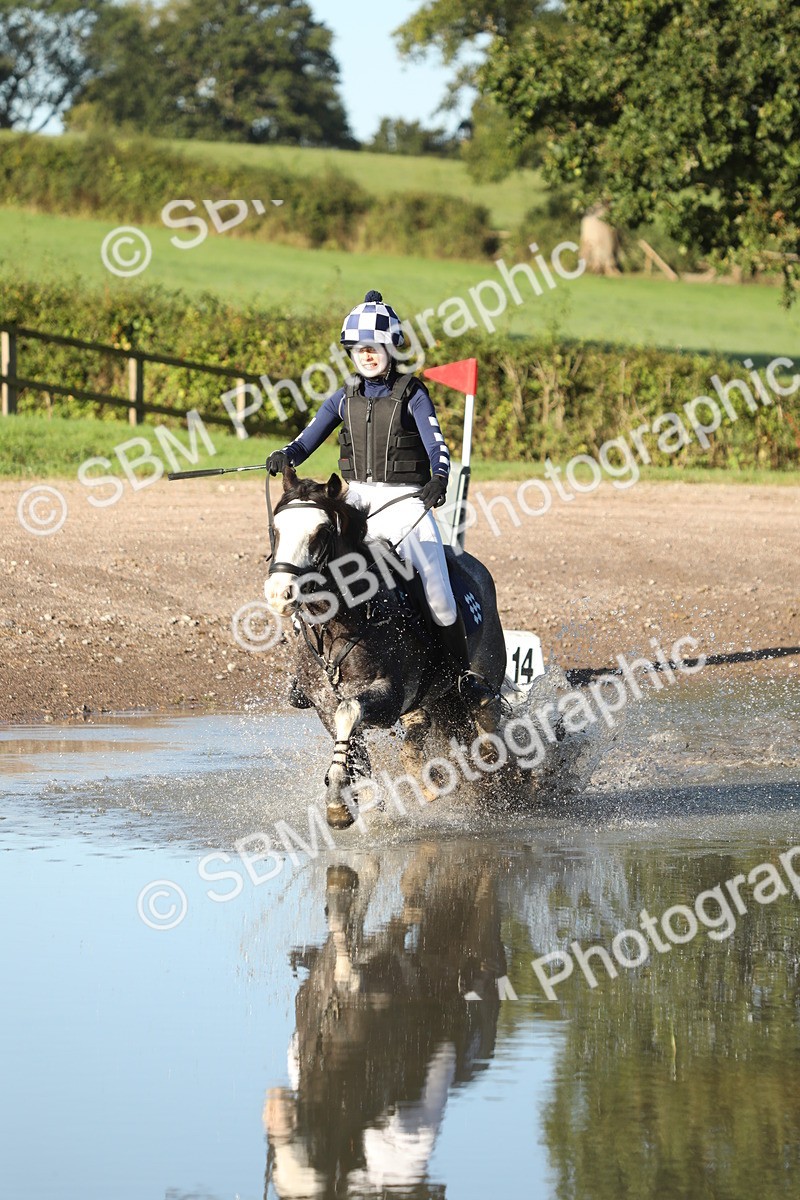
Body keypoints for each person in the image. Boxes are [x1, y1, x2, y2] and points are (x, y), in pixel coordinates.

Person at [267, 289, 496, 711]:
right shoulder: (343, 395)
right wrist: (287, 454)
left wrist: (440, 477)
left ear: (391, 348)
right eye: (359, 350)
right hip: (354, 501)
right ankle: (306, 670)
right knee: (313, 566)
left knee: (439, 593)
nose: (367, 356)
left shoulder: (413, 394)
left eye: (374, 348)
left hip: (405, 502)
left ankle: (462, 676)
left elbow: (436, 446)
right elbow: (307, 438)